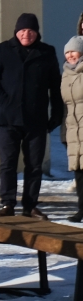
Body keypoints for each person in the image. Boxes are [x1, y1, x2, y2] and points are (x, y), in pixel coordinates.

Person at [0, 14, 63, 217]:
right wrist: (4, 102)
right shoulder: (2, 50)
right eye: (23, 30)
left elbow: (55, 85)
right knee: (8, 163)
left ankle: (30, 205)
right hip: (7, 120)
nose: (27, 34)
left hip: (36, 119)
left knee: (34, 164)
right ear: (17, 31)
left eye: (31, 31)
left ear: (37, 32)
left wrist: (57, 113)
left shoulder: (46, 52)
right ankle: (8, 203)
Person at [63, 36, 83, 221]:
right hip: (73, 127)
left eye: (73, 51)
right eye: (67, 52)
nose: (70, 55)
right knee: (79, 171)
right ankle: (81, 209)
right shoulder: (66, 73)